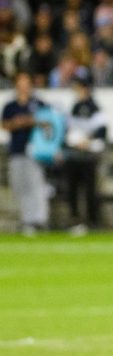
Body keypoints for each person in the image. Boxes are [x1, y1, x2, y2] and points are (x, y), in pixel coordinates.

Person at [1, 71, 50, 235]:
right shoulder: (11, 106)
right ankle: (27, 219)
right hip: (16, 149)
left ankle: (39, 219)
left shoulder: (38, 103)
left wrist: (31, 121)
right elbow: (5, 125)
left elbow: (48, 122)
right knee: (19, 186)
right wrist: (17, 123)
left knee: (35, 185)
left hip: (34, 151)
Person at [64, 73, 108, 236]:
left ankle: (92, 221)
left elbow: (101, 135)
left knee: (90, 190)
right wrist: (74, 141)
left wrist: (87, 143)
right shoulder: (75, 107)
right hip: (74, 155)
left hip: (89, 157)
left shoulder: (95, 108)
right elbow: (68, 131)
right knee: (73, 190)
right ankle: (75, 220)